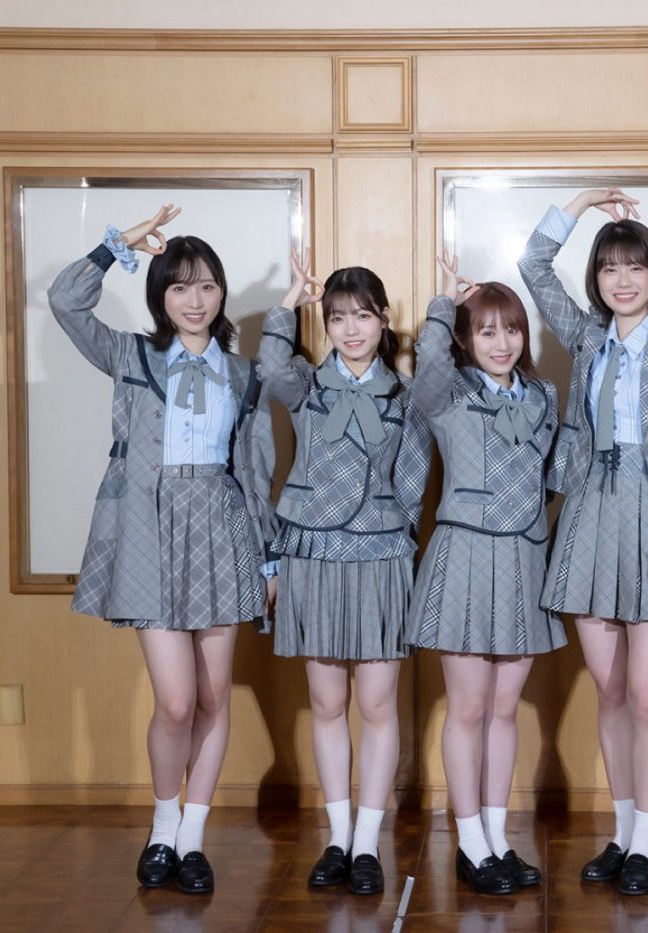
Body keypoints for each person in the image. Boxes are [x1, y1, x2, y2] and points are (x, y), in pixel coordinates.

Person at [48, 205, 275, 895]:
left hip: (223, 527)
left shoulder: (244, 374)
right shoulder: (132, 356)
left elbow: (256, 470)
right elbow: (64, 301)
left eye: (206, 285)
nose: (194, 299)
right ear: (160, 295)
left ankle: (193, 840)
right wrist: (115, 245)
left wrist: (269, 558)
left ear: (220, 292)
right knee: (175, 702)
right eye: (179, 286)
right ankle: (163, 826)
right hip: (149, 529)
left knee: (212, 696)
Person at [517, 188, 648, 895]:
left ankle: (646, 843)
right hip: (592, 513)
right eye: (609, 268)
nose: (622, 280)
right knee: (609, 691)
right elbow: (533, 265)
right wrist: (577, 205)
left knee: (647, 694)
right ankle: (623, 832)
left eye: (634, 267)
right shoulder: (585, 336)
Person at [259, 252, 432, 895]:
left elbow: (414, 478)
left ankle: (368, 843)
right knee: (327, 703)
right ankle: (336, 838)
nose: (350, 329)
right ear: (325, 325)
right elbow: (269, 367)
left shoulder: (406, 395)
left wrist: (399, 541)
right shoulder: (307, 385)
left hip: (381, 555)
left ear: (384, 320)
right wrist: (287, 304)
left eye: (362, 316)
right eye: (337, 318)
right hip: (312, 552)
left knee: (378, 704)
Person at [407, 254, 567, 895]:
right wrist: (443, 306)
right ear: (466, 339)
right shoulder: (447, 391)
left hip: (525, 556)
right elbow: (426, 368)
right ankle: (469, 844)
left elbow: (551, 474)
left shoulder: (544, 396)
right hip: (466, 555)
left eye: (512, 329)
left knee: (504, 710)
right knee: (469, 708)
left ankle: (498, 840)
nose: (502, 343)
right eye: (487, 331)